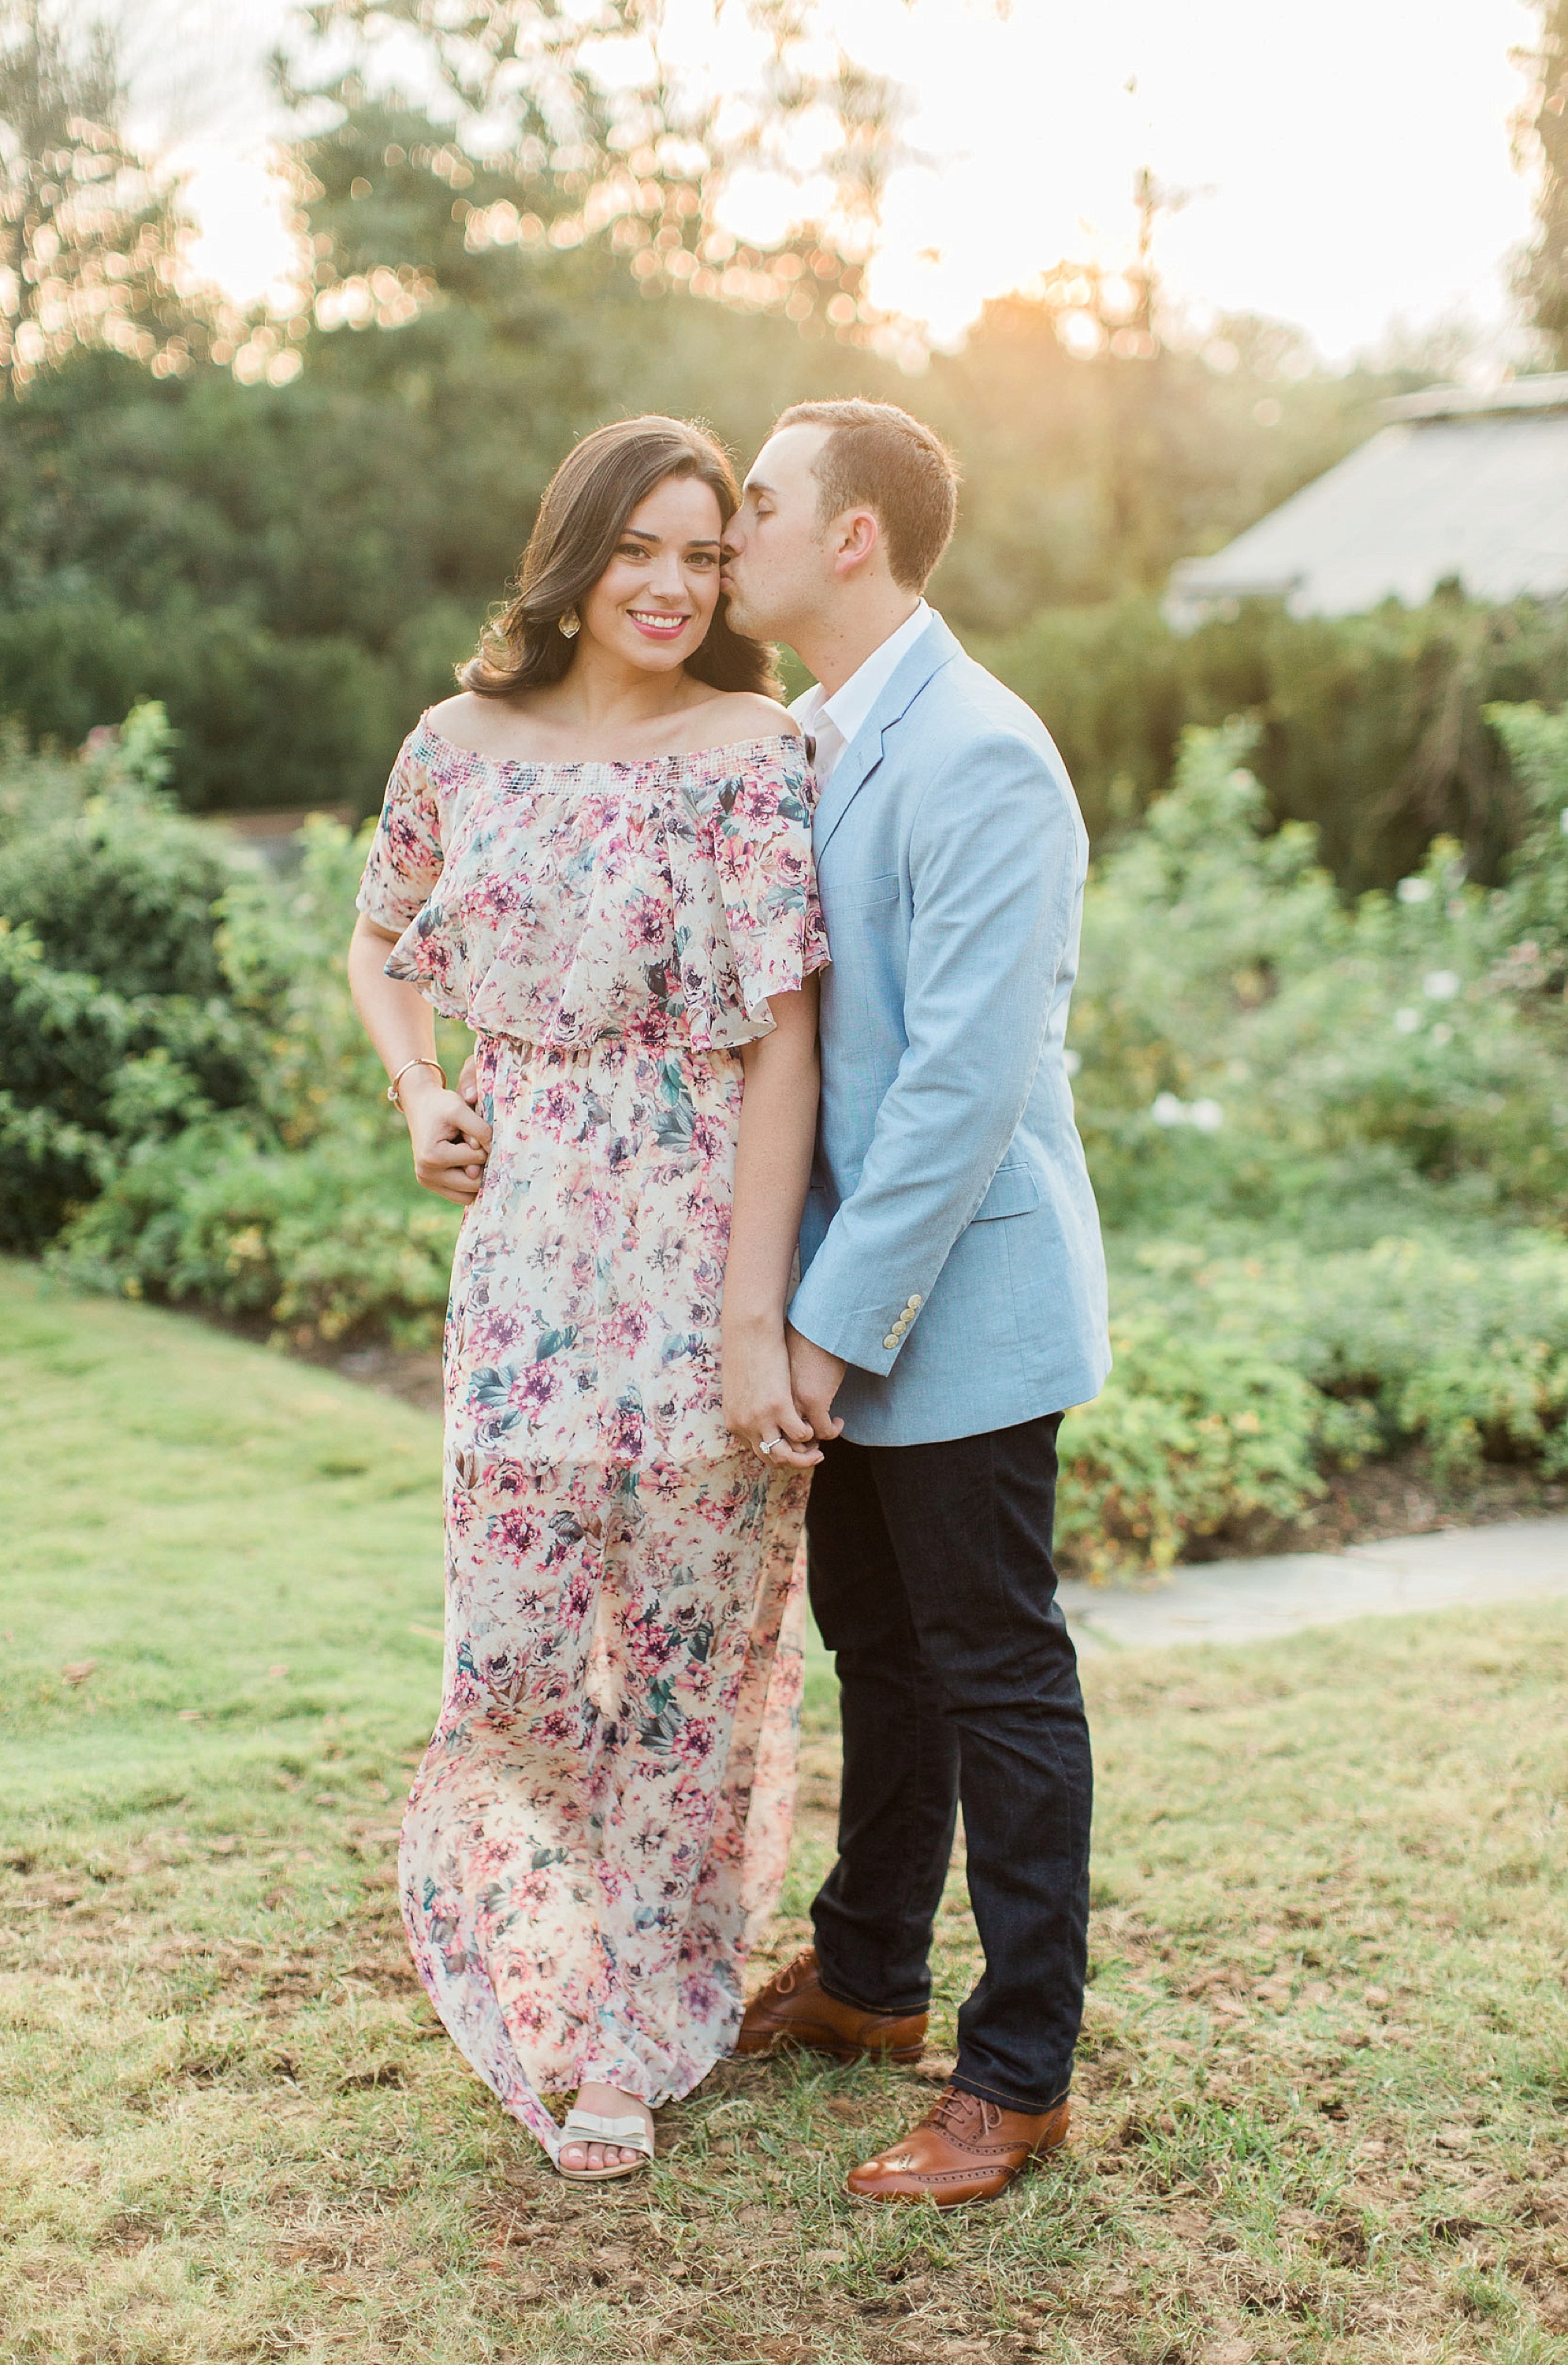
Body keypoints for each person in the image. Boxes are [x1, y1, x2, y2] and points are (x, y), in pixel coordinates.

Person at [348, 415, 829, 2184]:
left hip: (705, 1240)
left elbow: (787, 1044)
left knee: (694, 1669)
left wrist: (749, 1314)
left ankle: (623, 2032)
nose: (671, 584)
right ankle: (544, 1972)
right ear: (575, 555)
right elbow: (380, 937)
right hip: (530, 1260)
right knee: (521, 1658)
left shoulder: (751, 748)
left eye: (704, 555)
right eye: (641, 547)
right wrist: (420, 1086)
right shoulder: (456, 744)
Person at [719, 400, 1110, 2208]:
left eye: (758, 503)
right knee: (875, 1645)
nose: (730, 531)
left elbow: (957, 1085)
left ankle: (1016, 2074)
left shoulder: (980, 754)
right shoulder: (811, 731)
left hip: (955, 1298)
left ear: (853, 534)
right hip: (843, 1295)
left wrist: (823, 1324)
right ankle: (870, 1974)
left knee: (998, 1673)